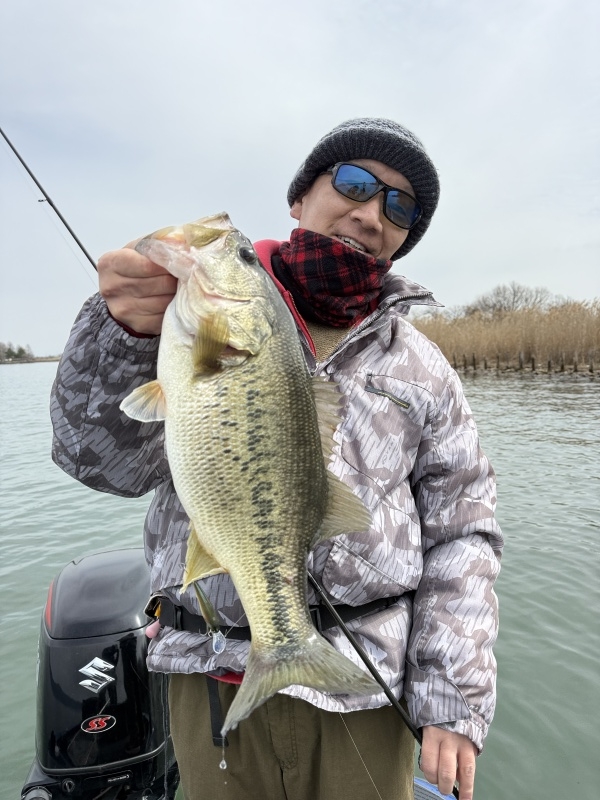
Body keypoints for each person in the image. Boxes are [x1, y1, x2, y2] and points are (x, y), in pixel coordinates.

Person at [50, 118, 503, 800]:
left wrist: (453, 694)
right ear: (299, 197)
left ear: (405, 235)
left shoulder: (424, 367)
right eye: (354, 182)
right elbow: (97, 463)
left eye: (400, 206)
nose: (371, 213)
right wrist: (119, 335)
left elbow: (464, 531)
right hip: (208, 678)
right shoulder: (179, 320)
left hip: (367, 688)